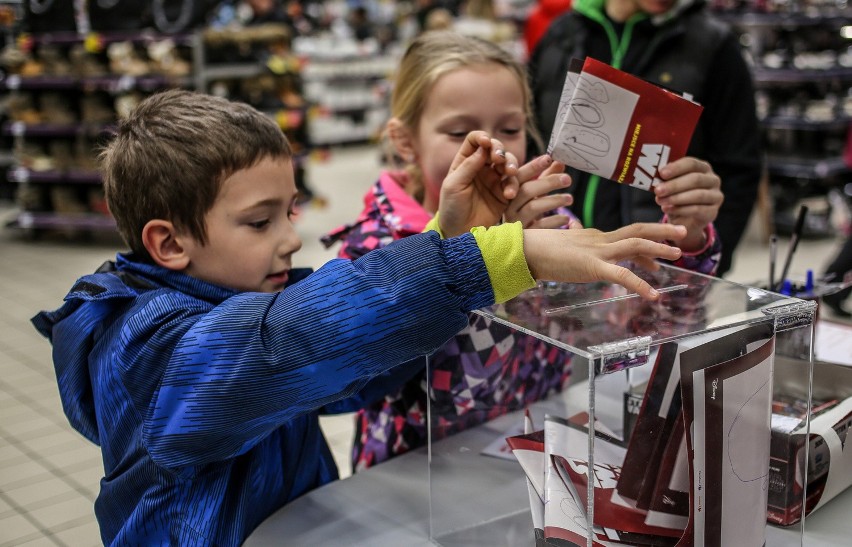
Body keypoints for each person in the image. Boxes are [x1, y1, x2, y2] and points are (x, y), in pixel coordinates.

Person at [30, 89, 686, 545]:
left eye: (290, 210)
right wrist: (495, 257)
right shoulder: (148, 349)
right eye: (259, 221)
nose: (290, 238)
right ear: (168, 242)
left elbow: (349, 372)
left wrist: (445, 234)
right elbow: (288, 341)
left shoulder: (226, 296)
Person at [321, 30, 723, 471]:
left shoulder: (553, 229)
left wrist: (687, 239)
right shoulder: (375, 250)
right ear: (404, 141)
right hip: (412, 482)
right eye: (460, 132)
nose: (489, 148)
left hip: (528, 472)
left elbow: (635, 336)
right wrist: (485, 253)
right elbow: (439, 387)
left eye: (509, 129)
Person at [528, 0, 762, 276]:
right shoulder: (562, 34)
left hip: (655, 280)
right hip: (559, 272)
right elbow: (532, 140)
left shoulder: (713, 46)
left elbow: (739, 170)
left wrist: (700, 264)